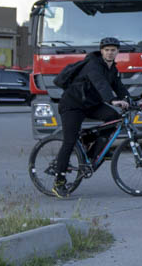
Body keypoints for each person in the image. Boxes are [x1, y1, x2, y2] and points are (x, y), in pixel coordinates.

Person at [49, 36, 130, 195]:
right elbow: (100, 83)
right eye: (107, 50)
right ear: (101, 51)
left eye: (113, 50)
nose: (109, 53)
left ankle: (93, 153)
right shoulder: (93, 65)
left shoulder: (112, 68)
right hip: (72, 105)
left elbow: (119, 87)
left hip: (90, 104)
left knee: (113, 118)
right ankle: (59, 180)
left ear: (117, 52)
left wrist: (131, 101)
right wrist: (112, 100)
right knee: (69, 140)